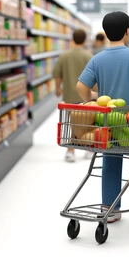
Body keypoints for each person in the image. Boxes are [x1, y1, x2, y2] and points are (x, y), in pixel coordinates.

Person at [76, 11, 129, 224]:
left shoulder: (97, 59)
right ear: (127, 31)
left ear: (105, 33)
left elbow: (81, 86)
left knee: (110, 162)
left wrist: (93, 100)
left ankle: (111, 208)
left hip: (108, 122)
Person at [53, 29, 93, 162]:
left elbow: (57, 74)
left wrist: (58, 88)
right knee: (88, 122)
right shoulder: (88, 56)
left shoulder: (64, 56)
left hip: (69, 94)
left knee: (71, 123)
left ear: (73, 39)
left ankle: (70, 150)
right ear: (85, 40)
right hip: (86, 95)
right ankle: (88, 147)